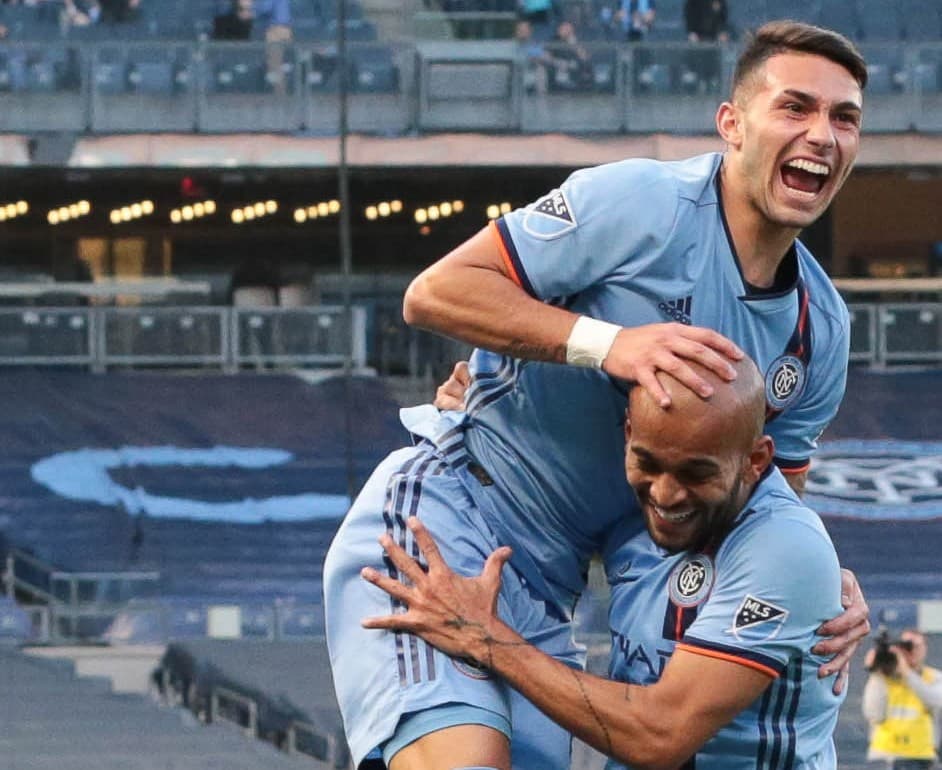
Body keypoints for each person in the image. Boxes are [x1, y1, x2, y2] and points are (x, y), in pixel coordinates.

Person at [324, 21, 870, 770]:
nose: (822, 135)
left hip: (551, 593)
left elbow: (765, 503)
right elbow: (437, 293)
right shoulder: (640, 202)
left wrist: (823, 579)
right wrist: (611, 344)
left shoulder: (821, 330)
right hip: (455, 520)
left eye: (844, 118)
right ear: (732, 123)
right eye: (795, 108)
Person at [362, 357, 848, 769]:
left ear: (756, 460)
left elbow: (660, 735)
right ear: (629, 435)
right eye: (649, 463)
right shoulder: (629, 514)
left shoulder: (783, 547)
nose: (665, 493)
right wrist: (489, 422)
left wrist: (486, 637)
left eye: (696, 472)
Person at [863, 629, 942, 770]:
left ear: (925, 648)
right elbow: (874, 714)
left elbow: (935, 700)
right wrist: (876, 673)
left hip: (922, 756)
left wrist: (906, 673)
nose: (911, 651)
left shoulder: (934, 677)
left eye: (915, 646)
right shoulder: (884, 679)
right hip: (886, 755)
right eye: (905, 646)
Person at [683, 0, 729, 91]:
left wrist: (722, 32)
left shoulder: (720, 2)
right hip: (698, 35)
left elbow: (723, 18)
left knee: (717, 49)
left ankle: (713, 79)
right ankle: (699, 79)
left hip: (714, 37)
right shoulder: (693, 3)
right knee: (698, 50)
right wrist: (692, 32)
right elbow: (689, 14)